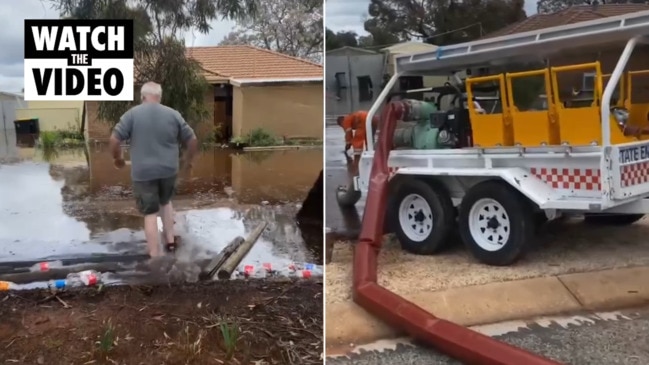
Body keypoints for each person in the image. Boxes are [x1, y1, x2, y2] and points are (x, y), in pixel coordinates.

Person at [109, 81, 198, 258]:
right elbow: (192, 140)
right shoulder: (173, 114)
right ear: (159, 96)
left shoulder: (132, 115)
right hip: (168, 170)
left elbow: (114, 140)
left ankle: (155, 254)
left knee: (150, 213)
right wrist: (187, 161)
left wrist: (118, 159)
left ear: (142, 97)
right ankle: (170, 241)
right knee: (166, 202)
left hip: (143, 173)